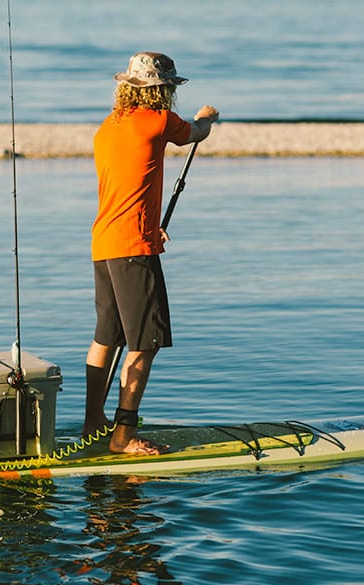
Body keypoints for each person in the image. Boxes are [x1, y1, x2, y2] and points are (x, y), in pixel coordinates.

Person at [83, 52, 219, 455]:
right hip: (133, 249)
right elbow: (194, 133)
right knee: (145, 342)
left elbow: (130, 180)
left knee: (106, 337)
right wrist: (208, 117)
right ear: (162, 89)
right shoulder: (159, 121)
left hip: (104, 243)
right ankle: (123, 436)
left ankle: (93, 421)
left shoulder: (108, 127)